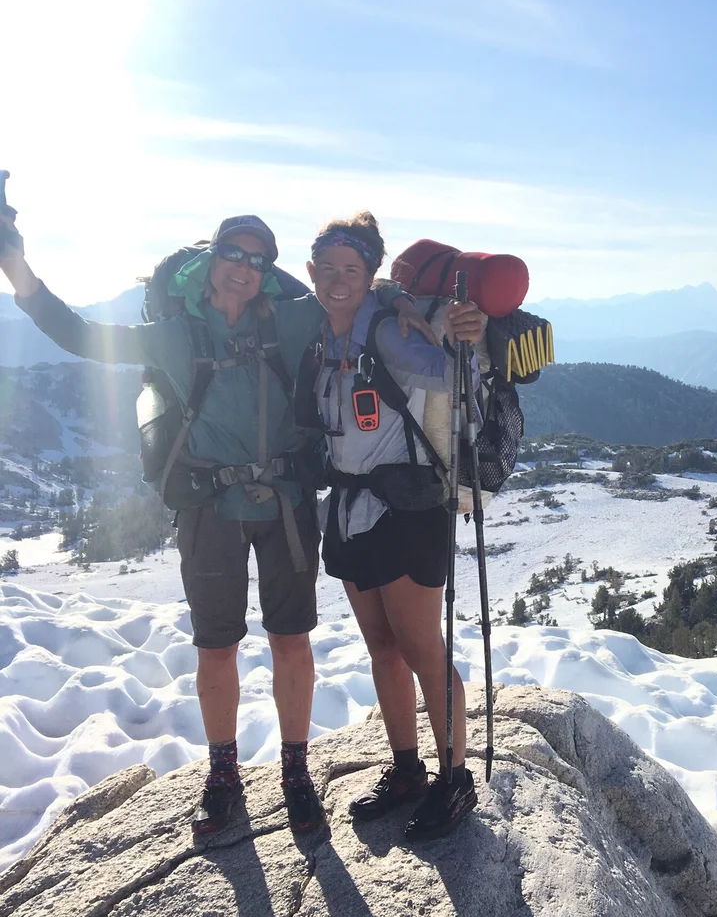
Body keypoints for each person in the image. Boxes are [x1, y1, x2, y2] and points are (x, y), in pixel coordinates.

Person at [0, 211, 429, 838]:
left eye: (260, 262)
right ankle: (224, 775)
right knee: (217, 644)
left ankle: (294, 771)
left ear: (270, 274)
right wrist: (17, 267)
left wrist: (399, 299)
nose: (245, 270)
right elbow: (78, 334)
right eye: (236, 254)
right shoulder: (175, 334)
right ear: (211, 259)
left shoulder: (291, 318)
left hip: (284, 502)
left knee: (291, 638)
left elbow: (349, 295)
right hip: (209, 507)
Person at [306, 212, 486, 840]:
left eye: (350, 270)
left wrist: (465, 337)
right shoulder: (322, 332)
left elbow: (446, 372)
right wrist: (394, 294)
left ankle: (455, 779)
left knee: (420, 649)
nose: (335, 280)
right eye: (326, 268)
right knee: (382, 647)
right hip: (351, 510)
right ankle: (407, 769)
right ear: (310, 272)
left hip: (406, 512)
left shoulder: (385, 333)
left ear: (369, 274)